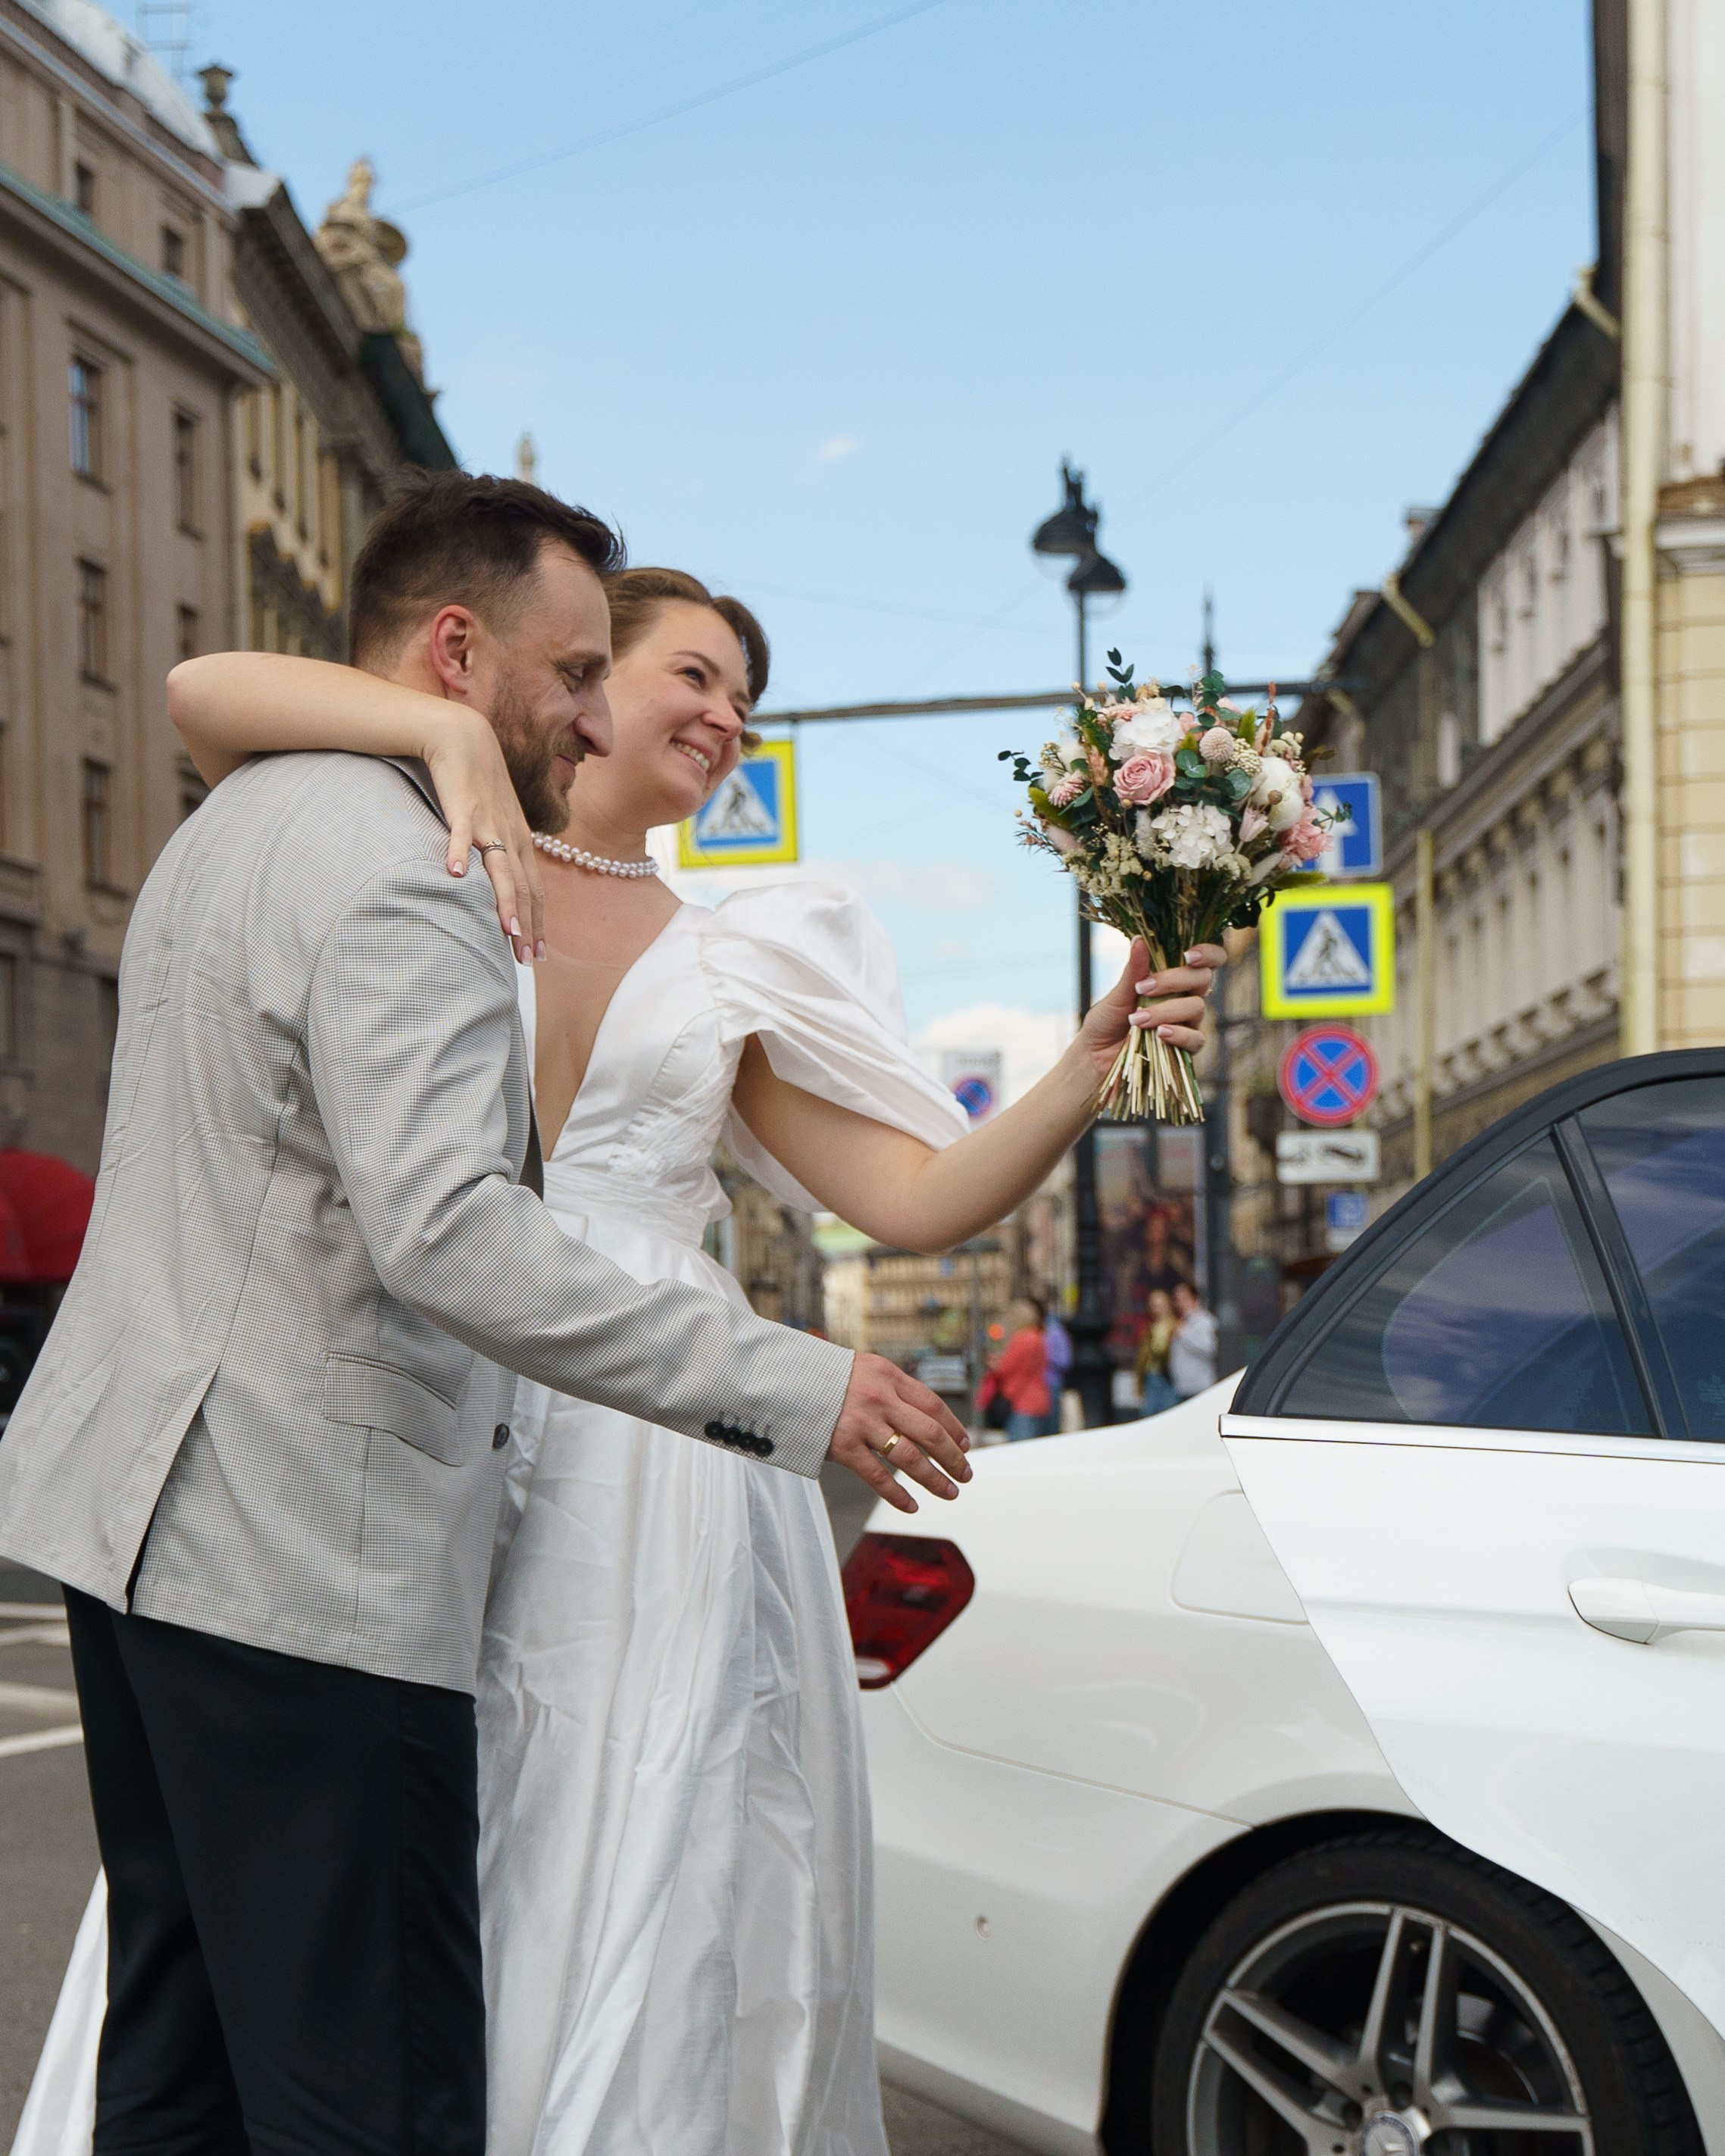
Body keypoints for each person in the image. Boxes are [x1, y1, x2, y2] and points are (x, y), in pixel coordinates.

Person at [13, 515, 1223, 2155]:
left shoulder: (704, 938)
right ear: (496, 664)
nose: (711, 715)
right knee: (349, 2018)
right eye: (654, 670)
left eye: (746, 695)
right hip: (372, 1461)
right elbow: (446, 1223)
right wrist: (441, 734)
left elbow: (918, 1197)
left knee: (517, 1899)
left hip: (589, 1473)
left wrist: (1085, 1063)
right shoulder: (415, 840)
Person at [992, 1297, 1052, 1442]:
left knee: (1018, 1451)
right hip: (1040, 1399)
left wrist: (994, 1363)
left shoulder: (1022, 1339)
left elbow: (1006, 1368)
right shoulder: (1038, 1337)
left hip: (1022, 1402)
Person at [1168, 1280, 1220, 1399]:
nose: (1180, 1304)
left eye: (1184, 1300)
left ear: (1195, 1299)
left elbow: (1209, 1348)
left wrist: (1184, 1334)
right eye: (1177, 1300)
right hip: (1181, 1386)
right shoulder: (1180, 1322)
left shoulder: (1205, 1321)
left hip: (1199, 1387)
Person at [1136, 1286, 1179, 1414]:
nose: (1156, 1308)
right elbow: (1143, 1358)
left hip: (1168, 1378)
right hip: (1151, 1377)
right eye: (1153, 1305)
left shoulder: (1176, 1325)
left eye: (1159, 1305)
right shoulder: (1150, 1329)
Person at [1041, 1302, 1073, 1435]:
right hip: (1045, 1384)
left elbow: (1065, 1360)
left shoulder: (1055, 1332)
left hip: (1052, 1382)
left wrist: (1046, 1358)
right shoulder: (1050, 1332)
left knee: (1052, 1424)